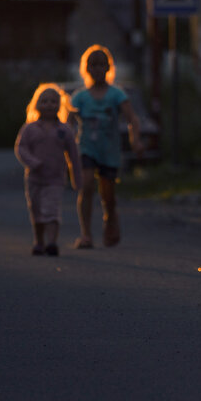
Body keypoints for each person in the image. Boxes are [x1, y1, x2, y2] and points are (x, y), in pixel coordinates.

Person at [69, 45, 143, 249]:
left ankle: (110, 219)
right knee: (86, 185)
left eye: (102, 64)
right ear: (86, 68)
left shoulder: (116, 95)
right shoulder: (80, 97)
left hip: (109, 151)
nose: (98, 68)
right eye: (93, 64)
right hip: (86, 148)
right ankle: (85, 235)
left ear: (109, 67)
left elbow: (132, 119)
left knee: (107, 194)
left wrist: (135, 139)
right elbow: (67, 123)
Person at [14, 83, 82, 256]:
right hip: (35, 179)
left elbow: (73, 155)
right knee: (36, 211)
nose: (49, 104)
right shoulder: (29, 129)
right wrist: (32, 162)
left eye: (53, 101)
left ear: (60, 105)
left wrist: (76, 177)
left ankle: (52, 243)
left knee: (51, 211)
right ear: (36, 104)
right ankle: (39, 241)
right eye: (45, 101)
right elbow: (20, 148)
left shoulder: (65, 130)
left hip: (56, 179)